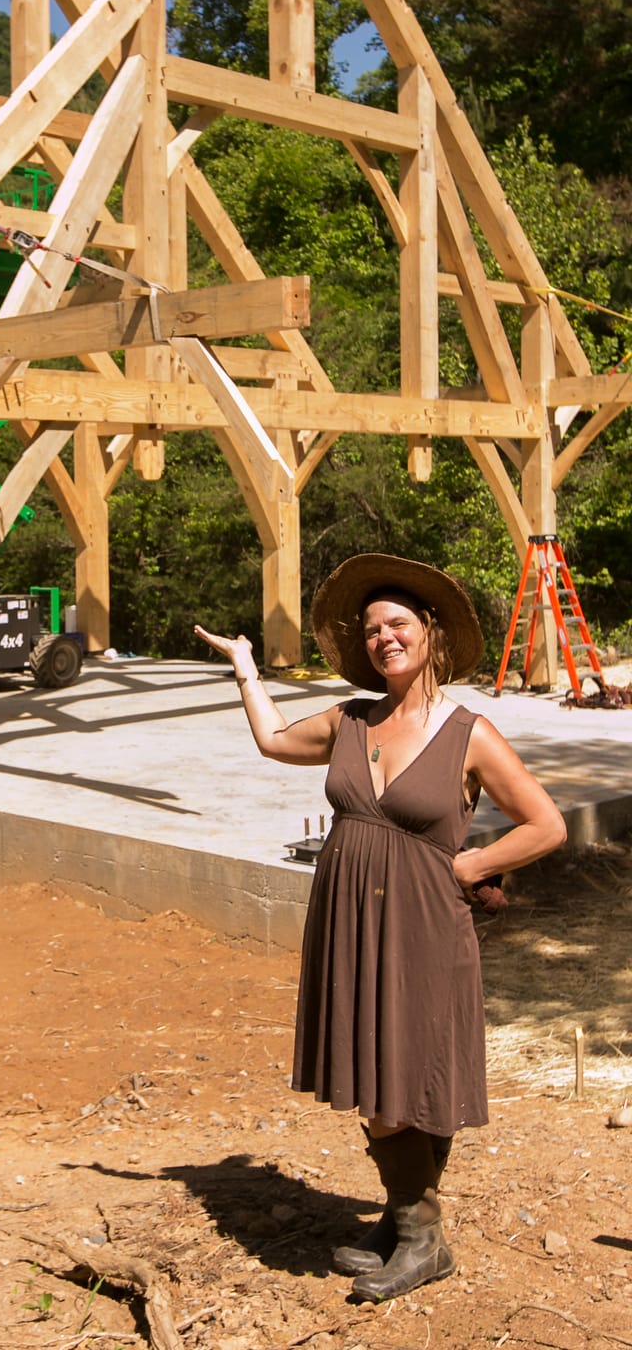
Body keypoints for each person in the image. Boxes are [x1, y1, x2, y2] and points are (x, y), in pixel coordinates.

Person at [195, 555, 566, 1302]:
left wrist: (471, 866)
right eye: (371, 631)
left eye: (397, 624)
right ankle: (405, 1223)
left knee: (408, 1075)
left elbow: (546, 825)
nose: (384, 639)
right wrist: (244, 668)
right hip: (348, 915)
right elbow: (272, 742)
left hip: (424, 922)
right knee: (374, 1070)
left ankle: (421, 1235)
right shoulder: (348, 719)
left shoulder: (471, 734)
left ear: (429, 632)